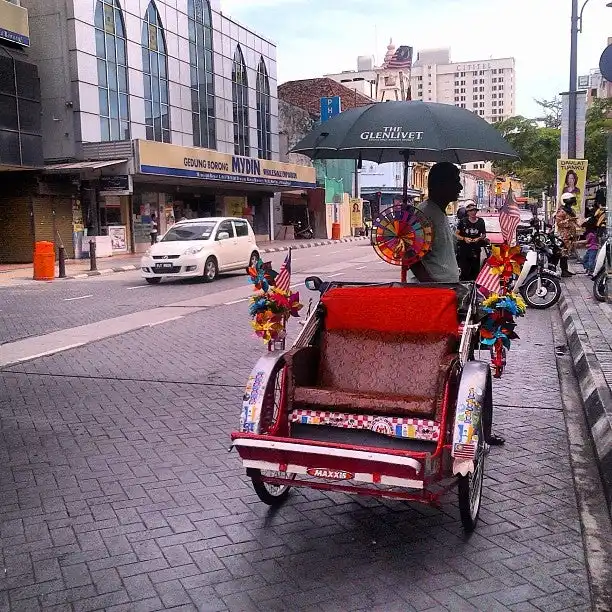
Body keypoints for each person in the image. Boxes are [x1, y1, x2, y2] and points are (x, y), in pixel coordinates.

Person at [410, 162, 461, 284]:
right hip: (433, 294)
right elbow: (411, 257)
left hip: (446, 288)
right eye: (455, 182)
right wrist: (432, 287)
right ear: (440, 185)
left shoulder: (439, 211)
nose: (460, 187)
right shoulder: (424, 214)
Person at [456, 203, 487, 281]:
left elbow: (484, 234)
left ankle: (473, 286)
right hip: (464, 250)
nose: (473, 212)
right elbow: (456, 234)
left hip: (476, 249)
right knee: (464, 270)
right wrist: (464, 238)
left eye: (474, 210)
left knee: (475, 271)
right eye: (471, 211)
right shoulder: (463, 221)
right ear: (468, 212)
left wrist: (479, 238)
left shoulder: (480, 221)